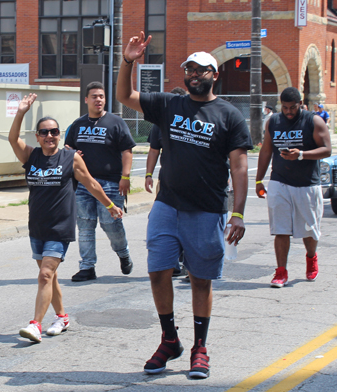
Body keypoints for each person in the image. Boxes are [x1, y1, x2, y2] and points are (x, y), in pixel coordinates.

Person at [116, 32, 252, 379]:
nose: (194, 75)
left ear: (214, 74)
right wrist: (128, 61)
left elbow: (238, 167)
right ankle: (169, 340)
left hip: (207, 210)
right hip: (166, 207)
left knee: (200, 280)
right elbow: (125, 95)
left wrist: (237, 212)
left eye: (201, 70)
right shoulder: (168, 104)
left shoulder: (229, 115)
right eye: (189, 70)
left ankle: (199, 348)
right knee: (158, 271)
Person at [9, 93, 123, 343]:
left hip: (60, 227)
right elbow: (12, 139)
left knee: (45, 275)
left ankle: (35, 324)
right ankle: (61, 316)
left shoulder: (71, 158)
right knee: (50, 276)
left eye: (54, 132)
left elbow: (91, 184)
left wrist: (111, 205)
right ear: (37, 136)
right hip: (37, 226)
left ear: (60, 135)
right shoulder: (31, 157)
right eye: (44, 132)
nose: (49, 136)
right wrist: (21, 112)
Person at [255, 87, 331, 288]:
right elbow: (265, 151)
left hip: (307, 184)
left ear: (300, 104)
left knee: (309, 231)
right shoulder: (274, 121)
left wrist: (302, 154)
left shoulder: (313, 120)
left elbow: (327, 149)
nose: (289, 112)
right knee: (281, 230)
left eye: (293, 108)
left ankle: (311, 257)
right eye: (285, 107)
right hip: (280, 181)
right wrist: (258, 180)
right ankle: (281, 271)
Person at [65, 81, 136, 282]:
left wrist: (125, 176)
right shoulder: (78, 124)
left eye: (102, 96)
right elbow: (67, 149)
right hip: (83, 185)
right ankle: (87, 267)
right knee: (85, 225)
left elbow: (127, 151)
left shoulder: (116, 123)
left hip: (111, 183)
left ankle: (123, 253)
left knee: (110, 223)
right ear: (86, 100)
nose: (98, 100)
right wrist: (72, 153)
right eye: (94, 96)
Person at [145, 87, 186, 195]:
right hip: (167, 180)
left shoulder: (192, 122)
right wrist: (148, 175)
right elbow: (154, 151)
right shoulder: (160, 122)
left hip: (191, 181)